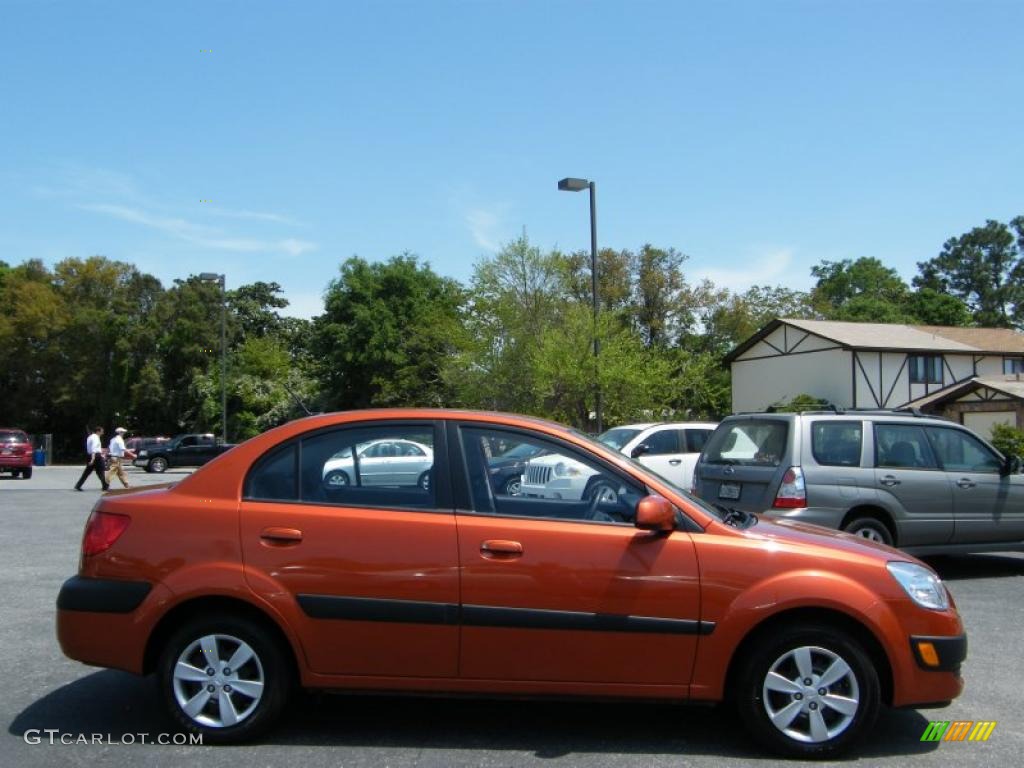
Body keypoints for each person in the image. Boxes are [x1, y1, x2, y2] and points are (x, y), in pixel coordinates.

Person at [74, 426, 109, 491]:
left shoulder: (90, 437)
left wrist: (101, 450)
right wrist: (93, 459)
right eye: (102, 431)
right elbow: (94, 449)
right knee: (101, 471)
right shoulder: (95, 438)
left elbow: (92, 448)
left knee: (87, 472)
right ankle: (105, 486)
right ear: (98, 431)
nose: (103, 432)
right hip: (96, 456)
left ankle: (78, 485)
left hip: (90, 455)